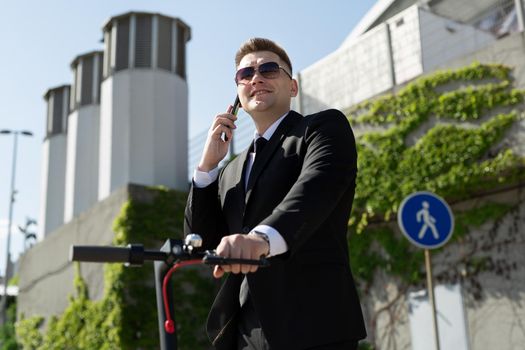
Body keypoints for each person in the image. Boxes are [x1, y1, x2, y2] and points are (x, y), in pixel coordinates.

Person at [184, 38, 366, 350]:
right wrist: (206, 168)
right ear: (238, 95)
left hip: (314, 326)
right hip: (243, 333)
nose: (256, 78)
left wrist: (260, 240)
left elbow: (317, 187)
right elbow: (201, 242)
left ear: (293, 87)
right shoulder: (229, 171)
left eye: (268, 69)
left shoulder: (321, 129)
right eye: (245, 74)